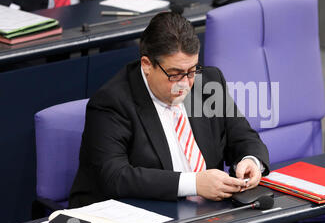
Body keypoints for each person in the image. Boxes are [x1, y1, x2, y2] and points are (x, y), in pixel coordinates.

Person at [69, 12, 270, 208]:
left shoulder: (208, 82)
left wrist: (250, 160)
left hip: (210, 213)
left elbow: (243, 135)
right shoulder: (112, 102)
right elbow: (115, 176)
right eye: (175, 74)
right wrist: (194, 183)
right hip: (146, 217)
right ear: (147, 65)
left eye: (191, 71)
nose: (185, 84)